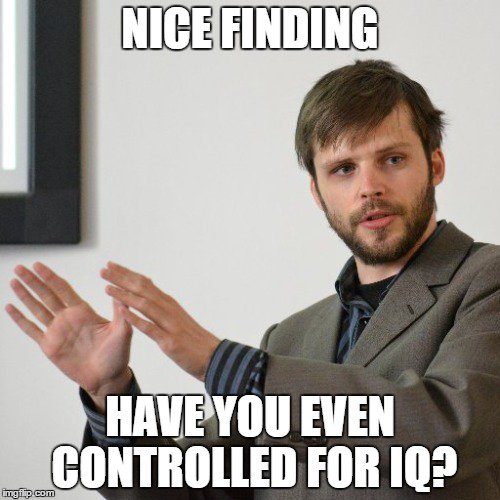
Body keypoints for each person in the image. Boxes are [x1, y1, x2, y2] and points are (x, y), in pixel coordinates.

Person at [6, 60, 500, 499]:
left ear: (435, 165)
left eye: (392, 159)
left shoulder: (485, 280)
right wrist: (111, 393)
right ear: (317, 193)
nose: (369, 187)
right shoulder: (289, 338)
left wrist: (220, 364)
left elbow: (450, 430)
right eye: (343, 169)